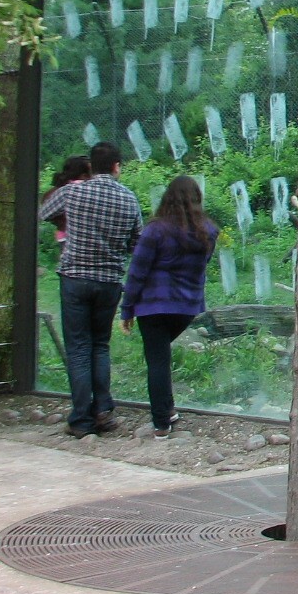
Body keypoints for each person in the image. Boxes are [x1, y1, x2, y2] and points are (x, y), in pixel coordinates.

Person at [37, 142, 141, 438]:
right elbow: (137, 242)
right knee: (100, 345)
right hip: (109, 281)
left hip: (75, 278)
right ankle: (103, 411)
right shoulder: (129, 198)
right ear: (117, 166)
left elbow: (45, 213)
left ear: (91, 167)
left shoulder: (72, 192)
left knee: (79, 348)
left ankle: (81, 419)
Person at [120, 175, 218, 439]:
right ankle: (168, 411)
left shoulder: (155, 230)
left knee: (157, 361)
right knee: (161, 357)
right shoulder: (208, 231)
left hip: (153, 306)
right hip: (186, 307)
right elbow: (202, 265)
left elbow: (137, 271)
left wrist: (127, 308)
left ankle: (161, 423)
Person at [41, 154, 92, 246]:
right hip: (72, 237)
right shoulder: (75, 189)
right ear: (83, 176)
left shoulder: (59, 190)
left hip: (63, 235)